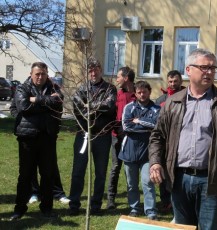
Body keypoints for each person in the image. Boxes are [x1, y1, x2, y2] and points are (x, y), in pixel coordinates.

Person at [148, 48, 217, 229]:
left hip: (211, 179)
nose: (209, 72)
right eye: (204, 67)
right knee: (183, 228)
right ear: (189, 70)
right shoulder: (173, 101)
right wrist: (155, 162)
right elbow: (158, 135)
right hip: (179, 178)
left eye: (213, 68)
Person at [9, 62, 64, 220]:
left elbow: (58, 103)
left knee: (47, 175)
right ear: (31, 74)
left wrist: (36, 99)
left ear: (47, 74)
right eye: (37, 74)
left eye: (43, 74)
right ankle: (20, 208)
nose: (40, 77)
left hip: (47, 137)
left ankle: (47, 208)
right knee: (25, 175)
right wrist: (46, 102)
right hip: (28, 138)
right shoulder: (22, 88)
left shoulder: (54, 88)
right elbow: (24, 107)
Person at [68, 58, 117, 216]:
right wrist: (92, 109)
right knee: (78, 171)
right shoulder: (82, 89)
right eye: (90, 70)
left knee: (101, 173)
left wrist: (89, 106)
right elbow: (77, 109)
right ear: (87, 72)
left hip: (102, 136)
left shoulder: (109, 89)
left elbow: (109, 106)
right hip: (84, 135)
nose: (93, 73)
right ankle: (74, 204)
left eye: (96, 69)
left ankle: (96, 206)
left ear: (100, 70)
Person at [119, 80, 160, 220]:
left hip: (148, 152)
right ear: (135, 93)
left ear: (149, 92)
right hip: (129, 151)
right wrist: (145, 127)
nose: (142, 95)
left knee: (147, 182)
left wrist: (139, 121)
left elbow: (156, 126)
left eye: (145, 92)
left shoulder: (156, 108)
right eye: (139, 92)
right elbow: (126, 126)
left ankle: (151, 211)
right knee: (131, 184)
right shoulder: (129, 107)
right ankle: (134, 208)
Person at [154, 70, 185, 213]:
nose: (173, 84)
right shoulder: (161, 101)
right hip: (164, 142)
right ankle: (165, 201)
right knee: (164, 173)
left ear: (181, 81)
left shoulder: (187, 98)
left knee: (178, 173)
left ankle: (179, 201)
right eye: (170, 82)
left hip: (181, 142)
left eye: (175, 81)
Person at [107, 66, 136, 210]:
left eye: (118, 76)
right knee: (116, 166)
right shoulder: (117, 94)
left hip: (133, 138)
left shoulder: (138, 94)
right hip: (116, 136)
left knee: (130, 169)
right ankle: (111, 198)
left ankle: (133, 200)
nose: (116, 79)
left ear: (126, 78)